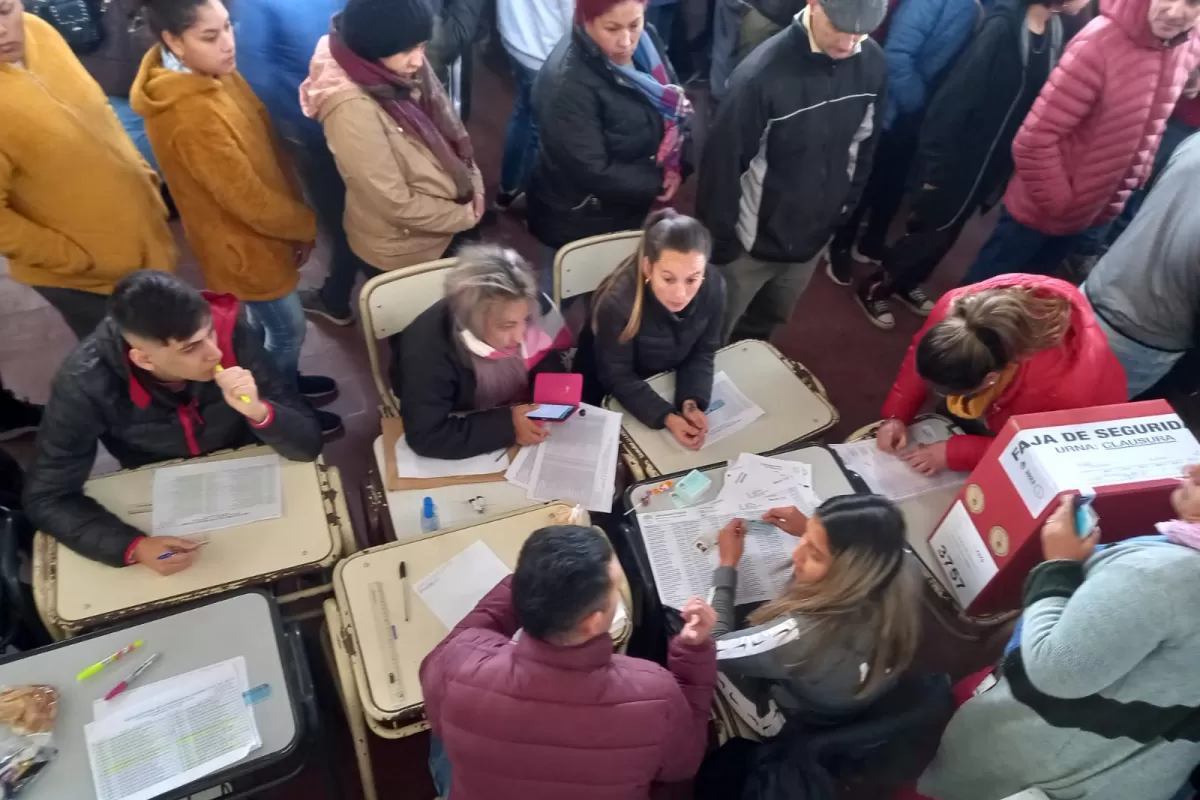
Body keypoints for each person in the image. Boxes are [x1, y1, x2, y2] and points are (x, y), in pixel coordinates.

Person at [129, 0, 343, 437]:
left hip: (263, 234)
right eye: (210, 36)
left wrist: (292, 214)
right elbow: (245, 199)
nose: (229, 44)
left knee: (270, 327)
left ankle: (284, 382)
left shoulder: (212, 72)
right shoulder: (190, 112)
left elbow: (263, 138)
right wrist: (303, 224)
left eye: (228, 27)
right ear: (173, 40)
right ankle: (278, 403)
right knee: (286, 329)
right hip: (243, 244)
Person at [919, 469, 1200, 800]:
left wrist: (1059, 564)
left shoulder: (1161, 576)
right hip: (1144, 761)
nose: (1192, 469)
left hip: (1054, 764)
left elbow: (1056, 669)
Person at [23, 271, 322, 573]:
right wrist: (133, 547)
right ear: (144, 360)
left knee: (297, 550)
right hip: (160, 490)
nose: (215, 353)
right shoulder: (85, 383)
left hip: (244, 472)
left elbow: (308, 444)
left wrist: (260, 412)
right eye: (191, 348)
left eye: (209, 332)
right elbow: (47, 496)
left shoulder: (231, 333)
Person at [420, 524, 718, 798]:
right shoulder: (654, 692)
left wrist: (532, 584)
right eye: (613, 591)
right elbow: (684, 763)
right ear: (594, 622)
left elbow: (438, 662)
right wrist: (693, 653)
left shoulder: (460, 664)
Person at [849, 0, 1089, 328]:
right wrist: (935, 163)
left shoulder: (1053, 30)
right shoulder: (1003, 27)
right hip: (961, 153)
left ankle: (905, 283)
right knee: (931, 227)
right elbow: (957, 98)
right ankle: (877, 286)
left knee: (949, 231)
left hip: (992, 158)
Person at [960, 0, 1200, 285]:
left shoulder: (1186, 45)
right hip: (1042, 210)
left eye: (1191, 2)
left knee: (1025, 306)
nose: (1174, 12)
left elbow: (1153, 117)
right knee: (976, 303)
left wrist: (1140, 170)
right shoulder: (1098, 43)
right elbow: (1034, 139)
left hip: (1093, 212)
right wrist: (1063, 203)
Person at [697, 0, 888, 344]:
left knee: (764, 327)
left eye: (860, 33)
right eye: (839, 28)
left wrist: (845, 206)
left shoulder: (872, 61)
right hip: (748, 247)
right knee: (713, 333)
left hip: (811, 241)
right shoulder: (759, 76)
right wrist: (722, 245)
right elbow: (722, 168)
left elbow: (865, 142)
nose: (848, 44)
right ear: (813, 4)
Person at [0, 0, 175, 340]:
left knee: (173, 346)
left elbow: (99, 111)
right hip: (88, 279)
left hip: (142, 239)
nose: (1, 29)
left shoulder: (39, 32)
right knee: (132, 368)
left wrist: (142, 174)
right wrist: (77, 258)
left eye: (4, 11)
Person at [299, 0, 484, 282]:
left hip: (441, 222)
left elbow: (451, 130)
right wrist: (466, 215)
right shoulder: (350, 108)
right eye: (409, 50)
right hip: (404, 248)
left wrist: (475, 184)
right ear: (373, 47)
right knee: (418, 322)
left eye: (422, 45)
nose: (419, 60)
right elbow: (394, 202)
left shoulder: (395, 64)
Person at [823, 0, 980, 326]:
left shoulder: (980, 7)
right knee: (867, 180)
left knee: (893, 186)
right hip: (900, 109)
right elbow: (898, 55)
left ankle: (870, 242)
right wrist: (918, 105)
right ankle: (839, 244)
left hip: (925, 116)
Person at [711, 494, 920, 738]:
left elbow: (711, 650)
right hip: (856, 694)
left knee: (682, 631)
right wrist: (814, 530)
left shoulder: (801, 634)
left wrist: (726, 565)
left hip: (803, 715)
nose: (797, 554)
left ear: (847, 573)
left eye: (816, 554)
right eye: (805, 539)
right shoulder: (904, 563)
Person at [877, 274, 1127, 475]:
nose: (937, 395)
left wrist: (955, 453)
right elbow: (921, 363)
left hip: (1074, 416)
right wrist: (896, 416)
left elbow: (1034, 450)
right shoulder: (955, 311)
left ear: (990, 379)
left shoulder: (1059, 393)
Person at [528, 0, 693, 292]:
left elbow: (672, 97)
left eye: (634, 24)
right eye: (612, 28)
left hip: (622, 205)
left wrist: (678, 164)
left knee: (608, 290)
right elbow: (592, 169)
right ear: (585, 20)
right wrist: (657, 181)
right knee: (558, 298)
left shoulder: (648, 39)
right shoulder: (568, 84)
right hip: (579, 216)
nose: (627, 41)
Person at [234, 0, 378, 328]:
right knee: (367, 201)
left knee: (339, 215)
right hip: (363, 112)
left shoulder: (259, 4)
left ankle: (342, 295)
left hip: (312, 123)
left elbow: (255, 71)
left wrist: (281, 125)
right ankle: (347, 292)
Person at [392, 245, 572, 460]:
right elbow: (426, 435)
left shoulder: (526, 304)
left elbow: (546, 356)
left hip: (508, 403)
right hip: (461, 409)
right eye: (506, 326)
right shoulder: (427, 353)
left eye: (524, 320)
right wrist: (507, 426)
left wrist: (552, 401)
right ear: (474, 322)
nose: (520, 336)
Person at [575, 210, 724, 450]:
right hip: (606, 387)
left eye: (692, 279)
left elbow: (703, 351)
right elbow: (616, 374)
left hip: (662, 380)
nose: (680, 294)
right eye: (668, 279)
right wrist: (667, 416)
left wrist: (691, 402)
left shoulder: (715, 286)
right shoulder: (617, 303)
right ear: (647, 267)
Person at [1081, 132, 1200, 399]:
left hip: (1097, 289)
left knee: (1039, 391)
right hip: (1145, 339)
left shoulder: (1195, 141)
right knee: (1075, 424)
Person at [493, 0, 573, 210]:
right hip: (546, 49)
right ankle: (530, 196)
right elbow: (572, 15)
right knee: (542, 129)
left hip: (515, 36)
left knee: (523, 113)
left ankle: (507, 188)